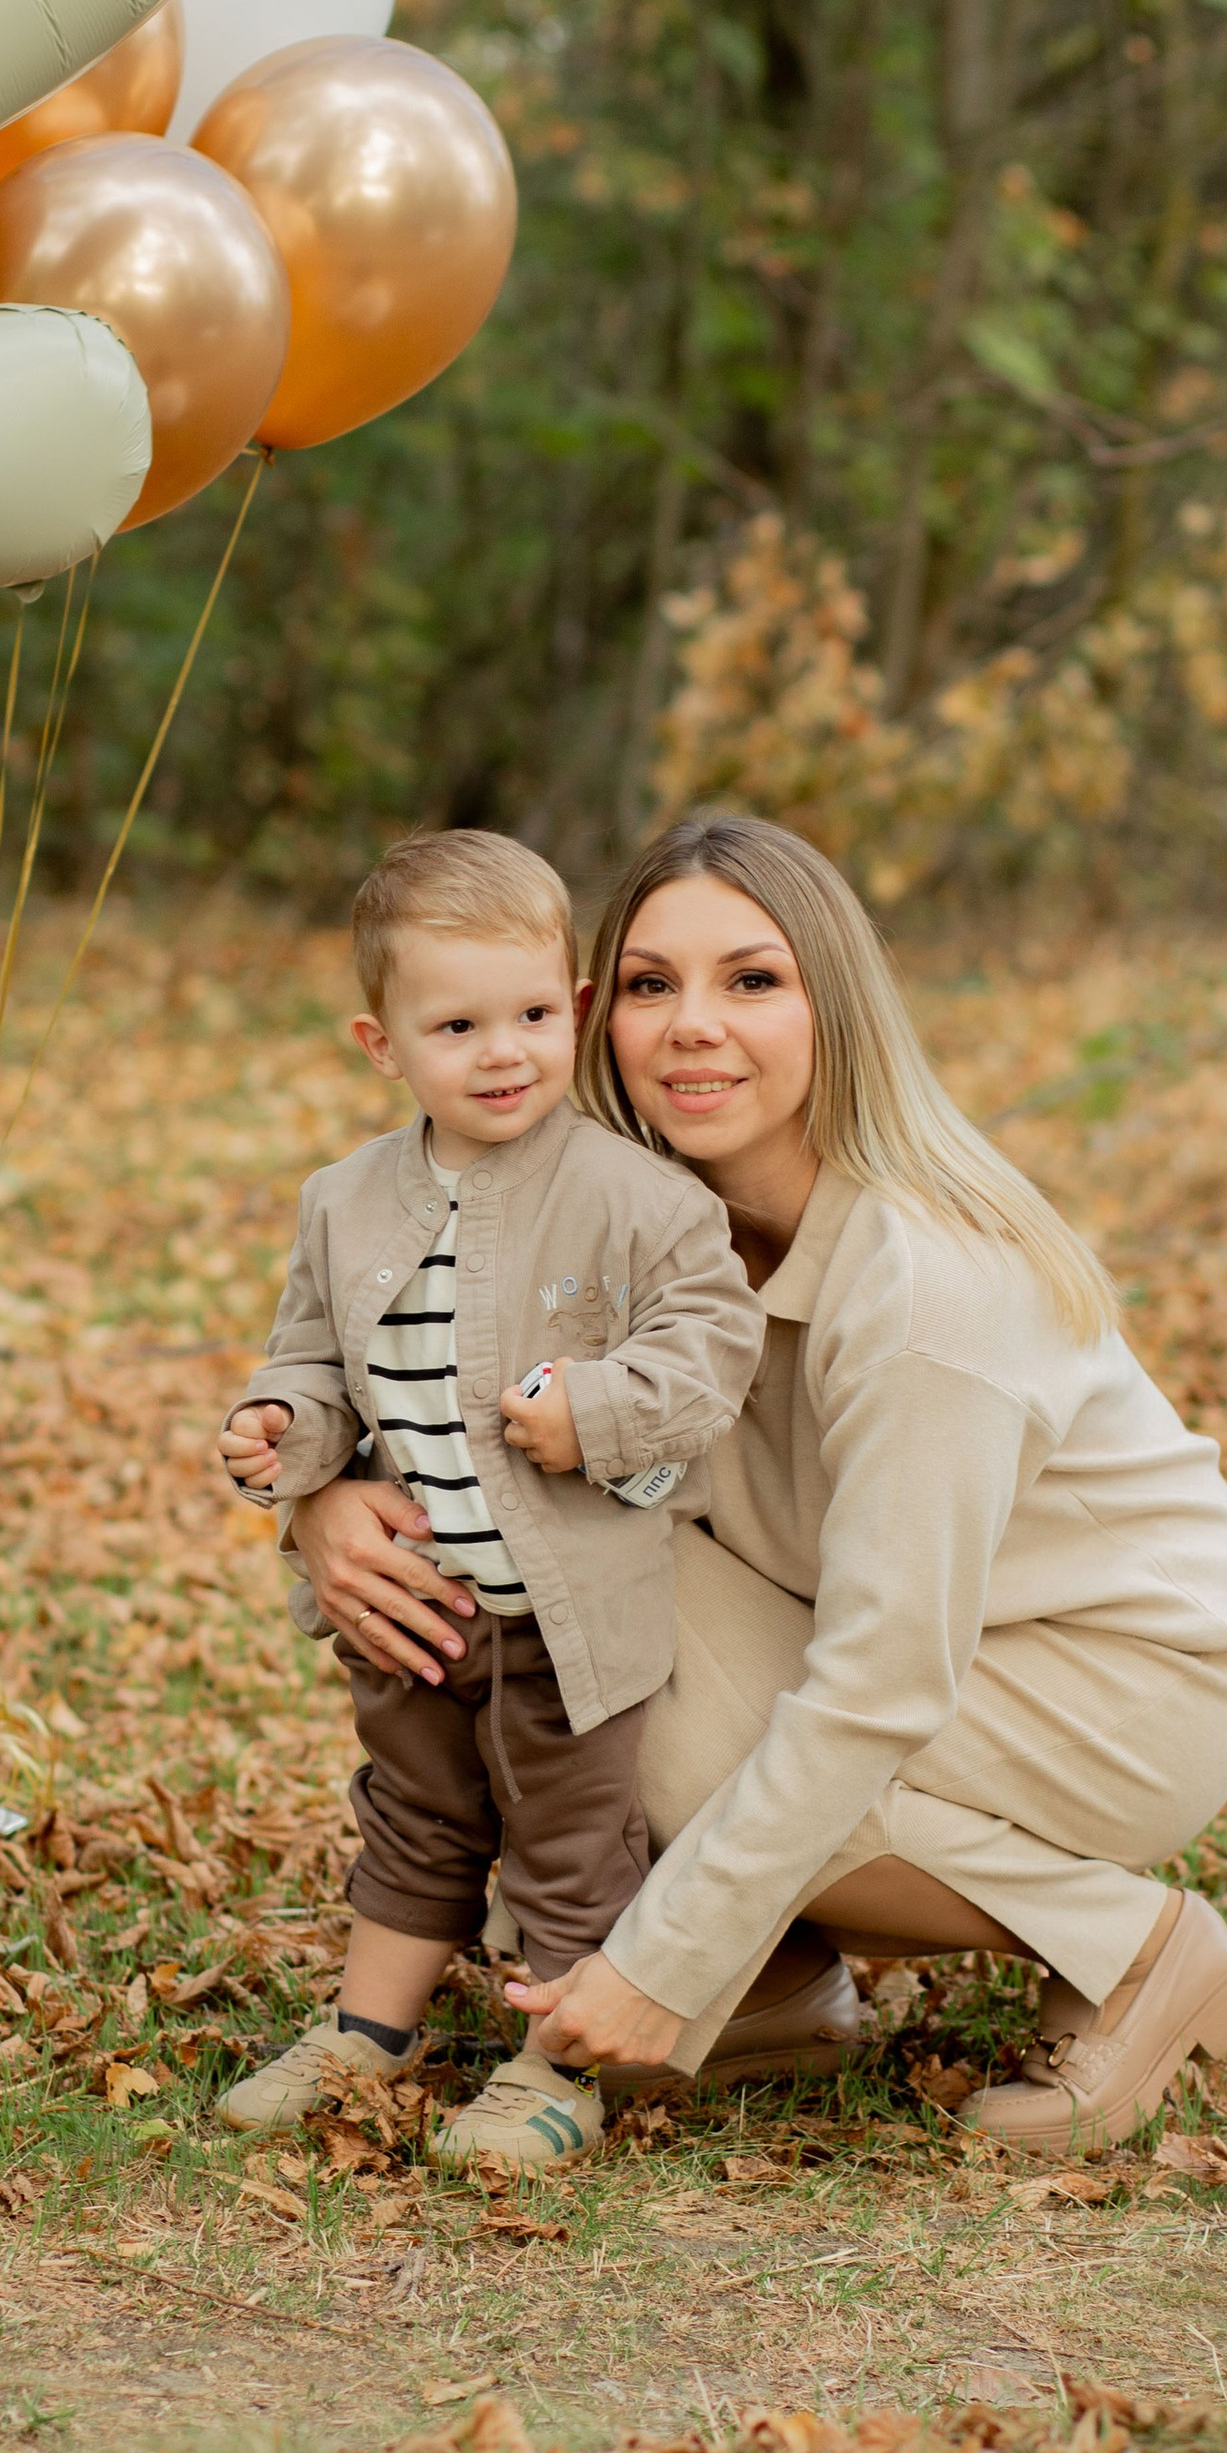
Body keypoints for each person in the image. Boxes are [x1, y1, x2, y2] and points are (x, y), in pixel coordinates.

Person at [286, 813, 1227, 2160]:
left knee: (666, 1725)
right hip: (880, 1623)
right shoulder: (620, 1223)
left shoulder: (928, 1290)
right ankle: (778, 1979)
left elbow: (879, 1680)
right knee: (544, 1599)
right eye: (651, 984)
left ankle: (1139, 1952)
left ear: (837, 1008)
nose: (694, 1024)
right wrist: (329, 1500)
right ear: (601, 1017)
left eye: (752, 981)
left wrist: (660, 1965)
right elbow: (447, 1407)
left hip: (1115, 1677)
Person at [214, 828, 764, 2169]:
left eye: (531, 1014)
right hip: (420, 1607)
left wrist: (599, 1411)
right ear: (381, 1044)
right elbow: (314, 1360)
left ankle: (560, 2064)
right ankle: (368, 2031)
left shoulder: (642, 1201)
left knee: (573, 1838)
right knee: (413, 1815)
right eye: (457, 1024)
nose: (503, 1050)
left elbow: (710, 1347)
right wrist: (285, 1436)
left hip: (573, 1612)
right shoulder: (345, 1203)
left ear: (573, 1010)